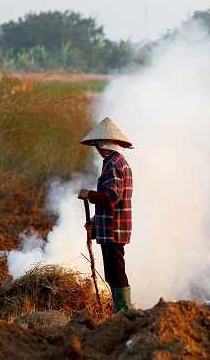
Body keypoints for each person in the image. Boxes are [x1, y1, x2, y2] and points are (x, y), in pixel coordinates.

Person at [77, 117, 134, 313]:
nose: (97, 150)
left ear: (103, 145)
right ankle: (122, 314)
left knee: (116, 273)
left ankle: (124, 314)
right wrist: (95, 221)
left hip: (113, 229)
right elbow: (113, 202)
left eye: (97, 146)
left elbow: (114, 196)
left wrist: (89, 194)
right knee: (113, 272)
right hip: (113, 226)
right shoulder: (120, 162)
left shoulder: (112, 163)